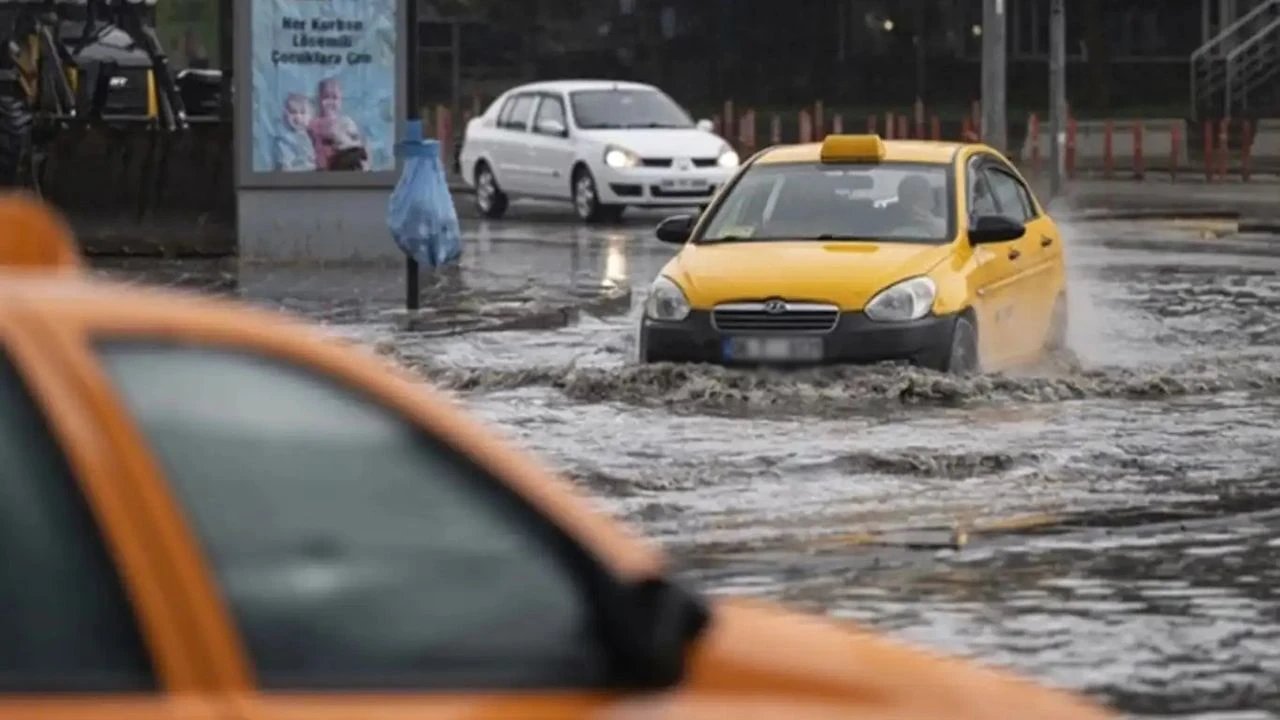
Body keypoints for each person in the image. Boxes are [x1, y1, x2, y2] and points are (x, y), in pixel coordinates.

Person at [309, 78, 368, 171]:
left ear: (341, 101)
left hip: (342, 162)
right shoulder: (313, 123)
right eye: (326, 97)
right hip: (323, 167)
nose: (330, 102)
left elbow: (358, 142)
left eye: (335, 98)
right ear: (318, 100)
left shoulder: (345, 121)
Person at [891, 173, 946, 238]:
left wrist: (932, 224)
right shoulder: (897, 235)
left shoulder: (948, 228)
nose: (931, 194)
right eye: (926, 190)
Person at [273, 93, 317, 172]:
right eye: (293, 112)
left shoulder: (313, 137)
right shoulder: (284, 141)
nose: (298, 117)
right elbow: (285, 169)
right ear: (285, 116)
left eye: (303, 112)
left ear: (311, 117)